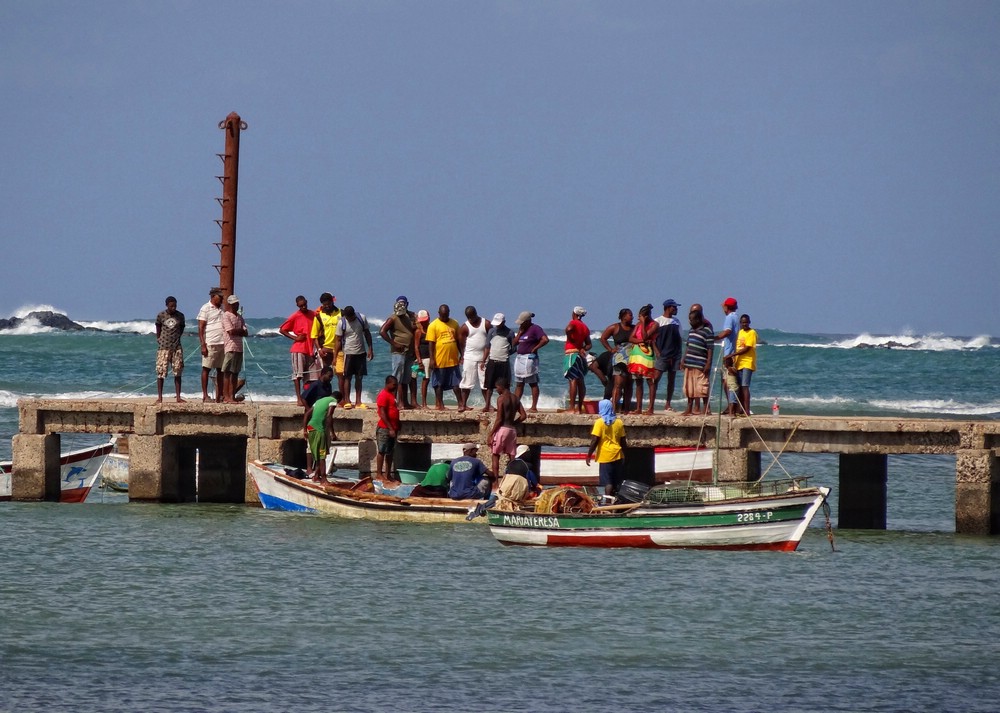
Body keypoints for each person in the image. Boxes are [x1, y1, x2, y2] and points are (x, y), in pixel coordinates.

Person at [279, 295, 318, 406]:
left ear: (307, 302)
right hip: (299, 348)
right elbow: (282, 329)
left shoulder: (313, 314)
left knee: (312, 376)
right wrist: (295, 338)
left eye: (305, 304)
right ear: (297, 305)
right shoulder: (295, 316)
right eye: (301, 306)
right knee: (298, 375)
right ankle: (299, 398)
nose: (304, 307)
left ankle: (309, 397)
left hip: (311, 349)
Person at [379, 296, 417, 409]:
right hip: (398, 352)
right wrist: (394, 343)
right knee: (397, 379)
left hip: (409, 352)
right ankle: (394, 403)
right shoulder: (393, 318)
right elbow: (382, 331)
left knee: (406, 379)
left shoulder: (409, 316)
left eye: (403, 303)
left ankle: (404, 402)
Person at [333, 305, 374, 409]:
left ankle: (358, 402)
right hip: (348, 353)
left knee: (359, 378)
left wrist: (370, 349)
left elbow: (367, 334)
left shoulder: (361, 318)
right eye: (348, 317)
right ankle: (347, 401)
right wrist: (335, 356)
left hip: (361, 353)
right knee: (347, 378)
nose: (350, 319)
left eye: (351, 317)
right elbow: (338, 341)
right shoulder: (341, 323)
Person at [586, 399, 627, 496]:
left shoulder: (600, 422)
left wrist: (589, 455)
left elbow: (595, 440)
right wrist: (624, 455)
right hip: (617, 454)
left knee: (608, 482)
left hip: (605, 456)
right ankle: (615, 501)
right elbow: (623, 441)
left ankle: (608, 502)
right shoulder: (619, 422)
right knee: (616, 480)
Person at [425, 304, 463, 411]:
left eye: (446, 315)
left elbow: (458, 341)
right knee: (439, 384)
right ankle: (440, 404)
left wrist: (462, 355)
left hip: (453, 360)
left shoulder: (454, 323)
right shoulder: (433, 325)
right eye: (443, 315)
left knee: (456, 383)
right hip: (439, 360)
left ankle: (461, 404)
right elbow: (431, 344)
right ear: (439, 313)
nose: (445, 317)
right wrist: (432, 359)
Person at [488, 378, 527, 476]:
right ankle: (514, 477)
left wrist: (491, 433)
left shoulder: (501, 398)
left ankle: (496, 482)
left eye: (497, 387)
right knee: (512, 456)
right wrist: (513, 423)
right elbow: (523, 416)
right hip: (512, 430)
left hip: (502, 429)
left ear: (501, 386)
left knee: (495, 455)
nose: (496, 390)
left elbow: (499, 419)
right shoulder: (516, 398)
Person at [681, 304, 714, 415]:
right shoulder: (691, 331)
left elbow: (710, 348)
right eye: (689, 320)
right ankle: (689, 408)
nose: (690, 322)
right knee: (689, 387)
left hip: (700, 364)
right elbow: (688, 346)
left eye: (692, 320)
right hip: (689, 363)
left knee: (702, 387)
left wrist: (708, 363)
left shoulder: (707, 331)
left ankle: (705, 408)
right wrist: (683, 360)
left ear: (699, 319)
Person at [512, 311, 549, 413]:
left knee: (532, 383)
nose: (520, 324)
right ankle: (515, 405)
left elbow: (545, 340)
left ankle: (534, 407)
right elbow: (514, 343)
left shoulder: (535, 328)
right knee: (519, 383)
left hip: (529, 358)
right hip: (520, 358)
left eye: (522, 322)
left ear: (528, 321)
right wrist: (520, 333)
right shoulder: (522, 329)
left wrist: (535, 348)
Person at [599, 309, 634, 412]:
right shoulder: (615, 327)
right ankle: (614, 409)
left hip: (632, 359)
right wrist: (611, 349)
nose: (631, 317)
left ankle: (626, 409)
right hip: (619, 359)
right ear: (623, 317)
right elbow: (603, 338)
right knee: (618, 384)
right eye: (630, 315)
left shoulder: (634, 328)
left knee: (629, 385)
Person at [303, 391, 341, 483]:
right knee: (322, 454)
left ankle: (316, 476)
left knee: (317, 453)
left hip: (310, 427)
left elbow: (307, 414)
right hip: (319, 429)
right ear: (339, 400)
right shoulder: (333, 401)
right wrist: (332, 433)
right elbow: (329, 416)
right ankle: (324, 479)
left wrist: (304, 430)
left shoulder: (319, 401)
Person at [652, 299, 683, 412]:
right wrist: (657, 352)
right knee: (655, 379)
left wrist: (680, 356)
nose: (676, 309)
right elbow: (653, 339)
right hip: (663, 354)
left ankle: (668, 404)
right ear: (668, 307)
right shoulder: (658, 321)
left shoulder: (677, 322)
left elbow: (680, 339)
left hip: (674, 355)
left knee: (671, 380)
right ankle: (652, 403)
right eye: (674, 307)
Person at [627, 304, 658, 414]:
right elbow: (631, 338)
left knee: (650, 381)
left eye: (641, 317)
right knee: (638, 381)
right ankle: (639, 408)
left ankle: (650, 408)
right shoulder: (638, 325)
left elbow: (645, 336)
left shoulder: (654, 324)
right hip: (636, 354)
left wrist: (644, 323)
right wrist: (640, 341)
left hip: (647, 354)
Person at [154, 296, 185, 403]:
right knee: (161, 372)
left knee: (178, 372)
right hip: (164, 347)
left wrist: (177, 338)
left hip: (176, 347)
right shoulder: (161, 315)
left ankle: (178, 397)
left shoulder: (180, 316)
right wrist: (159, 338)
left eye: (175, 305)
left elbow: (181, 328)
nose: (173, 308)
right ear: (167, 305)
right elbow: (158, 326)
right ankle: (160, 397)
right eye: (171, 306)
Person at [197, 287, 226, 402]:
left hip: (222, 343)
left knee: (221, 370)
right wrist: (203, 345)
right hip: (210, 343)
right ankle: (205, 395)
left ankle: (219, 396)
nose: (222, 299)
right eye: (220, 297)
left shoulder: (222, 309)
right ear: (213, 297)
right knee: (206, 368)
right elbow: (201, 328)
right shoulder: (206, 308)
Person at [458, 305, 489, 410]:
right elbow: (461, 344)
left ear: (476, 313)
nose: (472, 319)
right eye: (469, 318)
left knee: (485, 382)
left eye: (473, 316)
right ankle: (463, 405)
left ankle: (488, 405)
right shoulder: (465, 327)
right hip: (469, 358)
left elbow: (492, 339)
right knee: (467, 382)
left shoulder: (486, 323)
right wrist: (462, 356)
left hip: (484, 358)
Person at [482, 313, 514, 412]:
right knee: (489, 385)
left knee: (505, 386)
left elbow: (514, 347)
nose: (497, 325)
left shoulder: (510, 333)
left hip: (504, 362)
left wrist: (506, 353)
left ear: (504, 322)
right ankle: (487, 406)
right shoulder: (492, 331)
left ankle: (505, 406)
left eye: (499, 323)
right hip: (492, 361)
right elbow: (487, 347)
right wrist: (483, 360)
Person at [495, 444, 541, 511]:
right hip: (517, 494)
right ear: (525, 454)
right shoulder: (527, 465)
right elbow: (534, 482)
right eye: (528, 453)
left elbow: (505, 476)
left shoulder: (510, 463)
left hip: (504, 492)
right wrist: (537, 488)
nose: (530, 455)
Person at [563, 306, 592, 413]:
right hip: (580, 355)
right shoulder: (584, 327)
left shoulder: (573, 323)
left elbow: (568, 329)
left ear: (574, 313)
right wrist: (582, 348)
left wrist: (571, 339)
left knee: (573, 379)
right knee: (580, 380)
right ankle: (579, 408)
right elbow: (589, 344)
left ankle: (571, 408)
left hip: (571, 353)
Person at [715, 297, 740, 415]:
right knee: (730, 381)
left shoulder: (729, 317)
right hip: (733, 352)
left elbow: (728, 331)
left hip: (729, 353)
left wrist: (716, 337)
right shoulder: (736, 317)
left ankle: (732, 405)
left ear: (727, 307)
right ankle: (733, 405)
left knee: (727, 381)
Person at [221, 294, 247, 404]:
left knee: (235, 372)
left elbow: (245, 332)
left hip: (239, 347)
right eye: (235, 304)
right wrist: (239, 331)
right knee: (227, 372)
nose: (237, 305)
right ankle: (226, 396)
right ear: (231, 304)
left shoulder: (240, 318)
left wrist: (238, 331)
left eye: (237, 303)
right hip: (230, 346)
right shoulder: (226, 316)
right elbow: (230, 331)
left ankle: (232, 395)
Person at [375, 375, 401, 482]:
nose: (396, 387)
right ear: (388, 384)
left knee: (390, 452)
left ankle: (388, 474)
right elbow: (382, 413)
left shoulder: (391, 395)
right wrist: (390, 428)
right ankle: (379, 474)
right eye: (394, 385)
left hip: (393, 428)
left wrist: (397, 424)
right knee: (382, 451)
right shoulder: (383, 395)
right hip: (384, 428)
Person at [311, 293, 342, 377]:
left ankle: (342, 391)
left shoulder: (341, 313)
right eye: (325, 305)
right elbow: (314, 336)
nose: (327, 306)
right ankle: (325, 390)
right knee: (326, 375)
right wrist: (319, 349)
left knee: (341, 375)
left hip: (340, 348)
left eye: (329, 304)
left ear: (332, 301)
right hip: (326, 349)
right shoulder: (319, 316)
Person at [733, 314, 758, 416]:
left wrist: (733, 354)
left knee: (745, 386)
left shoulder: (752, 333)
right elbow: (737, 346)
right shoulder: (740, 333)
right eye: (743, 322)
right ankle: (740, 409)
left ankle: (747, 410)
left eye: (746, 322)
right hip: (739, 363)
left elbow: (747, 348)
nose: (745, 324)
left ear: (749, 322)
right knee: (739, 387)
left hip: (748, 362)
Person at [414, 310, 431, 408]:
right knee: (424, 379)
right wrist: (419, 359)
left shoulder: (431, 329)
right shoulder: (418, 331)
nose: (423, 322)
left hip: (430, 358)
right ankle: (423, 403)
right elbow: (416, 346)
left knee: (428, 379)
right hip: (423, 358)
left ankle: (434, 403)